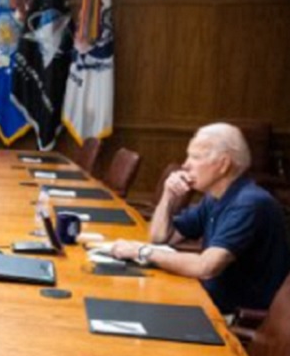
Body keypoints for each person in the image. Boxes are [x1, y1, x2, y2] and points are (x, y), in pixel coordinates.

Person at [112, 123, 290, 313]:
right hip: (206, 298)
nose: (185, 165)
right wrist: (168, 196)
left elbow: (206, 267)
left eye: (195, 157)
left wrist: (142, 252)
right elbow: (160, 238)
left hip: (231, 315)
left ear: (223, 164)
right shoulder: (214, 197)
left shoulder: (248, 204)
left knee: (127, 308)